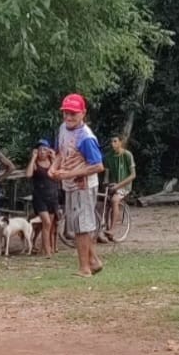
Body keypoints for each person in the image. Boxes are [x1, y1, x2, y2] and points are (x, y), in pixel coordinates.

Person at [52, 93, 106, 277]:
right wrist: (53, 168)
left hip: (83, 185)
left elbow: (98, 165)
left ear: (83, 113)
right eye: (66, 113)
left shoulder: (86, 137)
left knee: (82, 226)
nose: (68, 117)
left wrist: (69, 174)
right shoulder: (63, 129)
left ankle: (85, 268)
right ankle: (94, 261)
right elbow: (60, 152)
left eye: (73, 113)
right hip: (69, 184)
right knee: (75, 226)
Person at [26, 138, 61, 257]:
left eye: (44, 149)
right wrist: (33, 158)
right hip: (39, 197)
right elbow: (28, 174)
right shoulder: (35, 164)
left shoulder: (52, 163)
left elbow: (59, 175)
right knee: (46, 222)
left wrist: (55, 157)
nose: (42, 152)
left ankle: (44, 248)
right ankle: (48, 252)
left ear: (48, 151)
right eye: (40, 150)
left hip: (52, 197)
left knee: (49, 224)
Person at [103, 135, 136, 241]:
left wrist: (118, 185)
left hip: (124, 186)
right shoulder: (108, 157)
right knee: (102, 203)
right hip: (113, 185)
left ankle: (113, 229)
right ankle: (102, 230)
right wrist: (106, 182)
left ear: (120, 143)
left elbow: (133, 175)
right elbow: (106, 175)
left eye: (115, 141)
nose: (113, 144)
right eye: (111, 142)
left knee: (114, 200)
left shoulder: (127, 155)